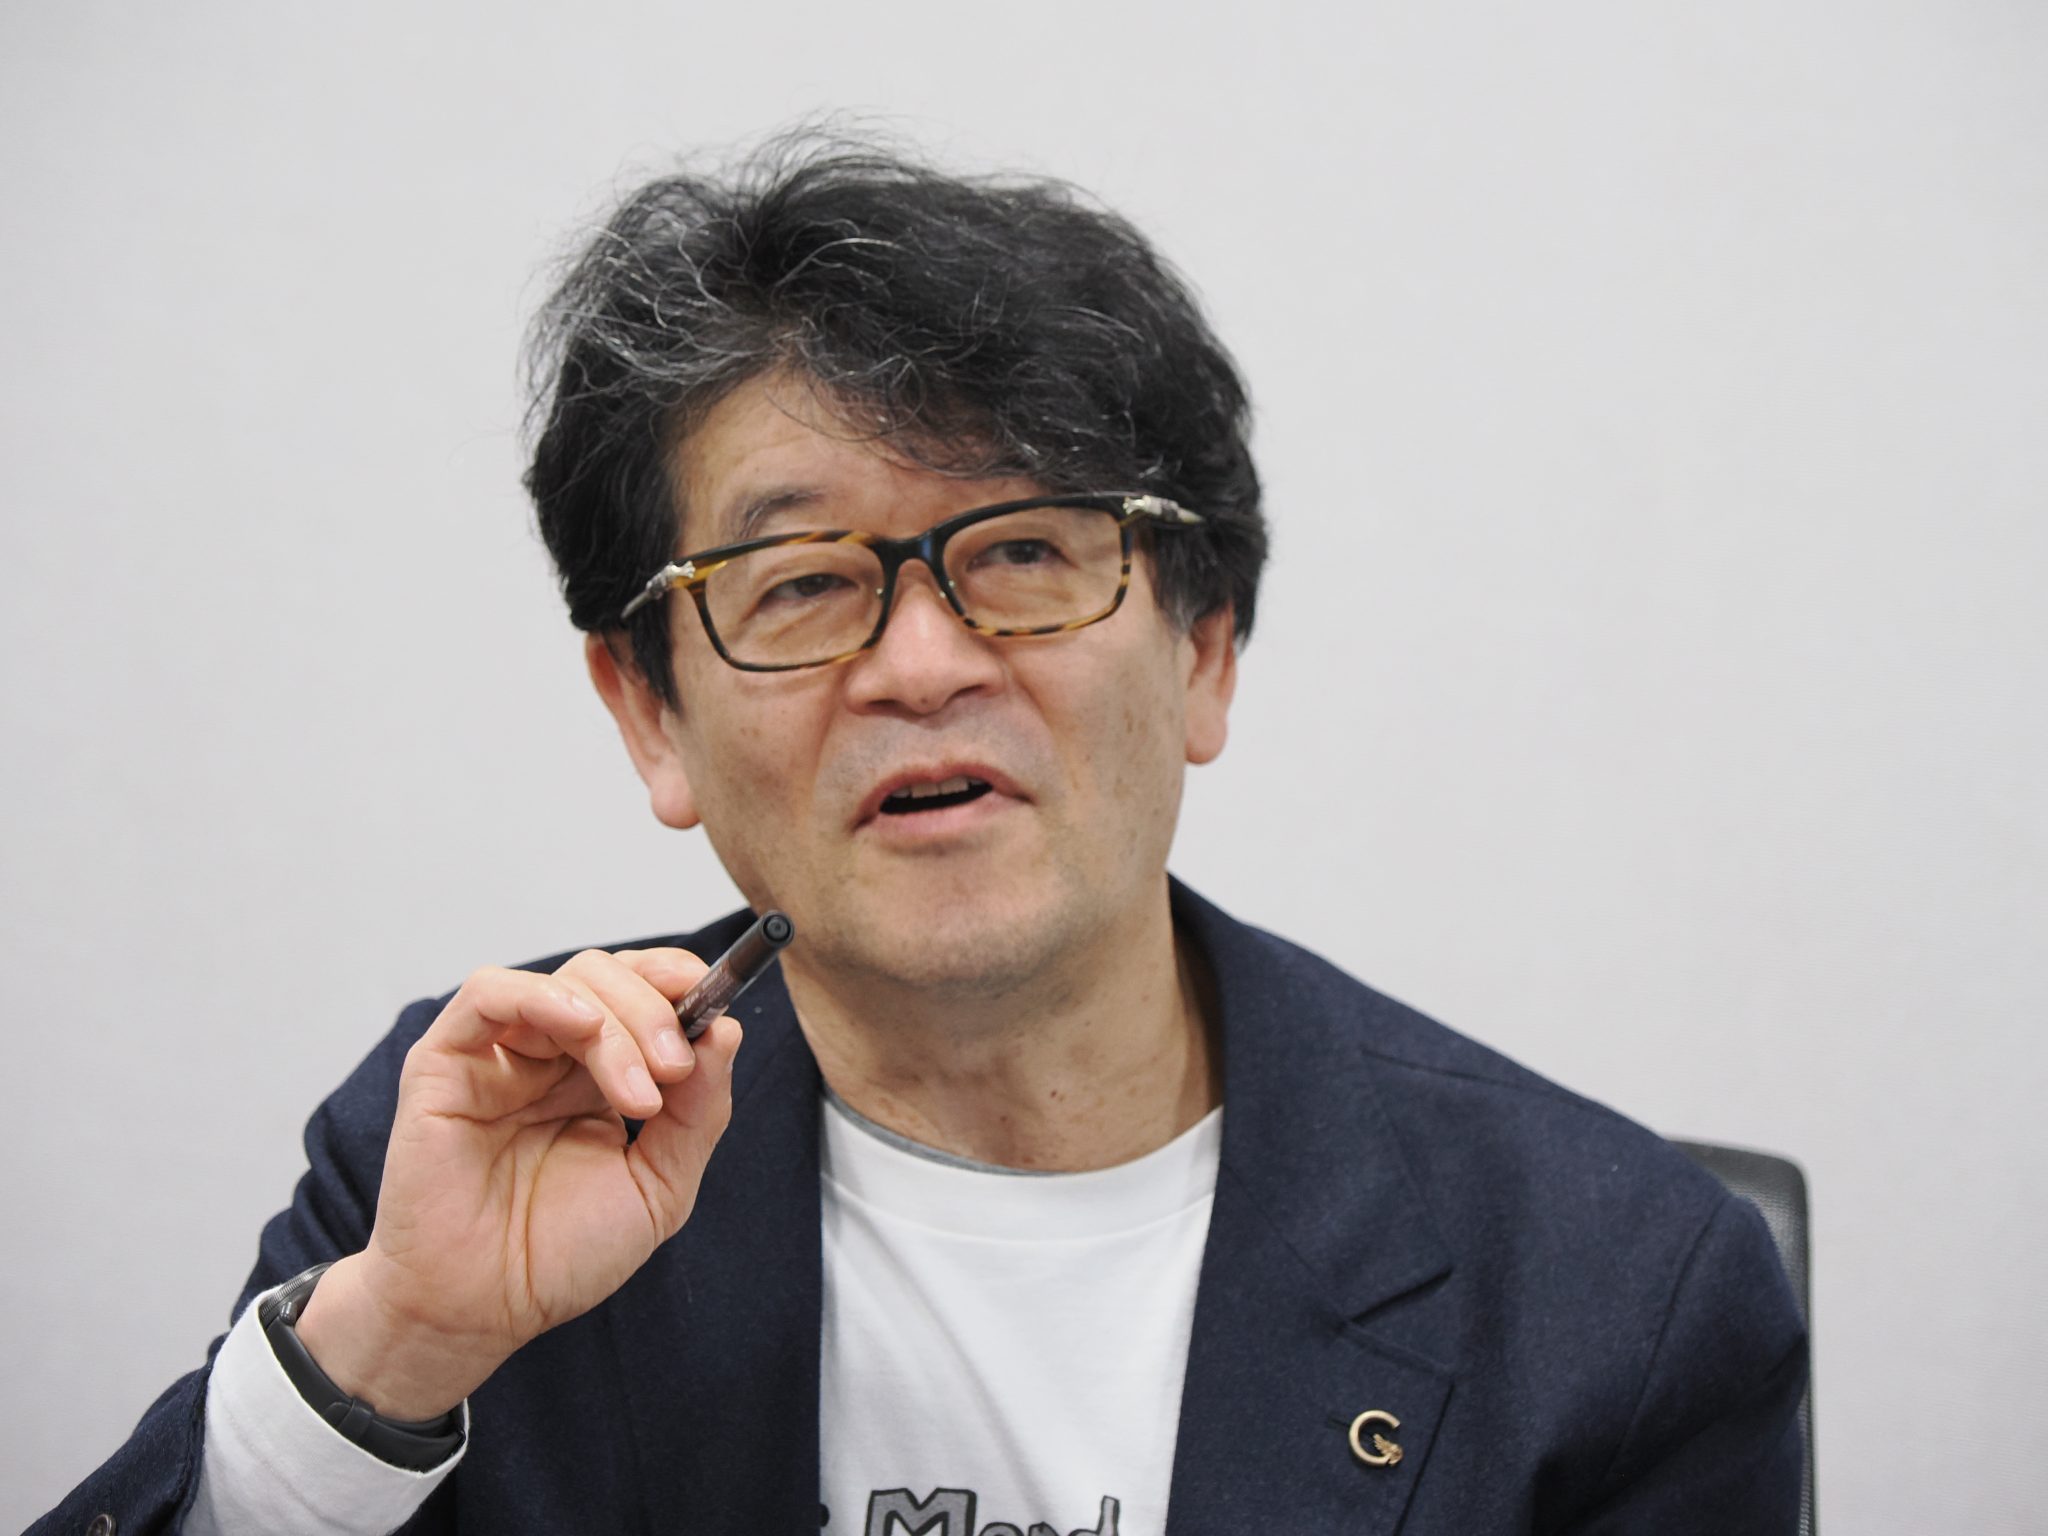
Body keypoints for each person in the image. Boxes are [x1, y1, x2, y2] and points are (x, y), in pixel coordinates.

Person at [35, 137, 1806, 1536]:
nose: (923, 664)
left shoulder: (1615, 1295)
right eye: (801, 582)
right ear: (650, 711)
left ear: (1203, 651)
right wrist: (394, 1350)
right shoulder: (474, 1150)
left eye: (1025, 553)